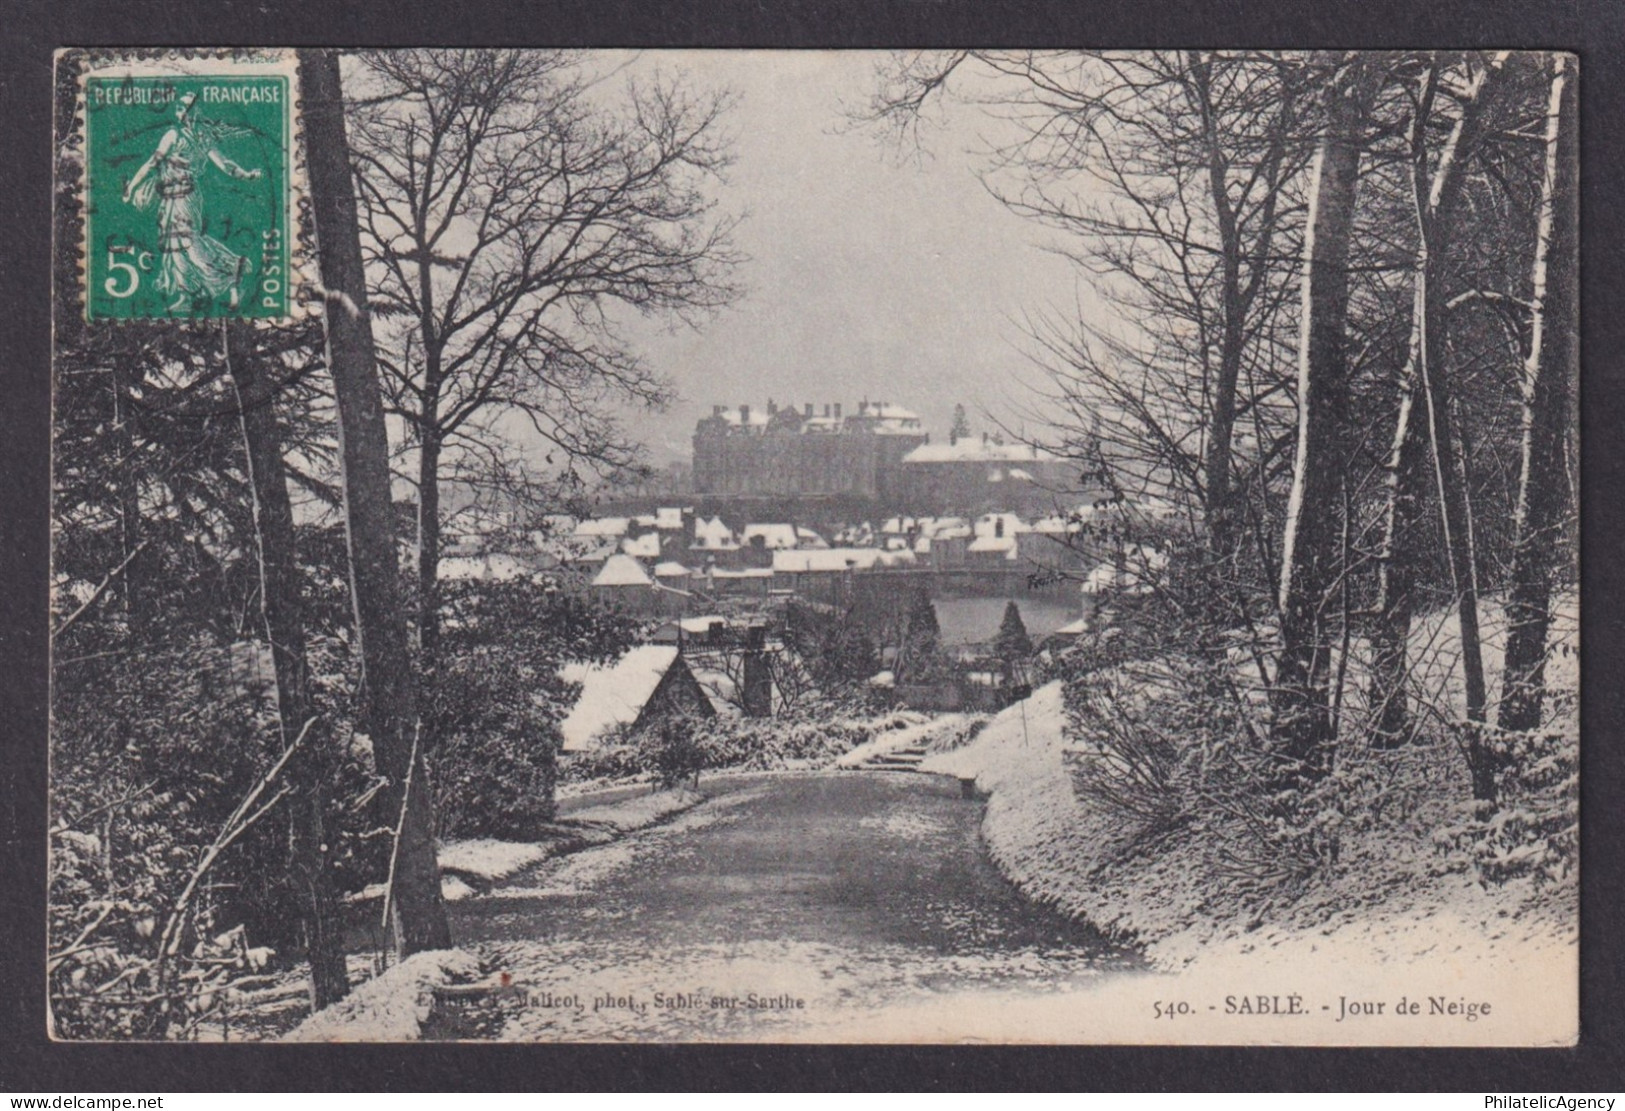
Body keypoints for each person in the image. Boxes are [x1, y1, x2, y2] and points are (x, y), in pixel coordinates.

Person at [121, 91, 262, 312]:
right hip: (170, 196)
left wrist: (246, 175)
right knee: (174, 246)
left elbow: (225, 164)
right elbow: (152, 163)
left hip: (186, 196)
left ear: (194, 111)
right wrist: (132, 187)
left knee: (188, 242)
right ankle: (187, 295)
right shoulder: (177, 135)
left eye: (185, 106)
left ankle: (232, 276)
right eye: (179, 106)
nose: (180, 110)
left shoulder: (197, 137)